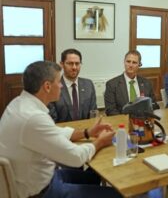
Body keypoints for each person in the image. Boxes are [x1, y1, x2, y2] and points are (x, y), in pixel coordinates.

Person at [0, 61, 121, 198]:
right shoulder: (33, 118)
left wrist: (88, 132)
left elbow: (53, 132)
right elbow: (76, 158)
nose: (61, 85)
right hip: (41, 192)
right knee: (117, 194)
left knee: (93, 176)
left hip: (44, 176)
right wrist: (100, 142)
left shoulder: (19, 103)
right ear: (47, 86)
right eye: (59, 82)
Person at [104, 50, 159, 116]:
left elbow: (154, 105)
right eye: (128, 61)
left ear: (139, 65)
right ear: (124, 62)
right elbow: (110, 110)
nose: (130, 65)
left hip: (142, 120)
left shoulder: (147, 83)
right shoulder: (112, 84)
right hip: (123, 122)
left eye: (134, 62)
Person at [48, 48, 97, 123]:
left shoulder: (88, 84)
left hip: (86, 131)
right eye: (70, 63)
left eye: (77, 63)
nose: (74, 67)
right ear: (62, 64)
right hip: (62, 132)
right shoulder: (53, 87)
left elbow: (93, 114)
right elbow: (52, 119)